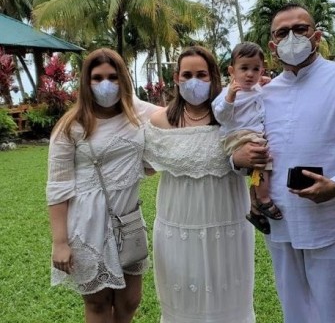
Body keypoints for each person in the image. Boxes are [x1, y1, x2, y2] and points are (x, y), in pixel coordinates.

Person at [232, 4, 335, 323]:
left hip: (331, 218)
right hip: (279, 221)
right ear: (272, 45)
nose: (292, 36)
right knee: (294, 310)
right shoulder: (263, 93)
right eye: (282, 32)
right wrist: (237, 158)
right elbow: (240, 141)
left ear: (316, 35)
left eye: (301, 29)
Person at [46, 48, 159, 323]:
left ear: (123, 79)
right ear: (86, 82)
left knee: (130, 300)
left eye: (112, 77)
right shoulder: (70, 126)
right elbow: (58, 186)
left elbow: (179, 117)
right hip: (87, 225)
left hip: (128, 220)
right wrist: (60, 242)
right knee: (98, 302)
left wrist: (243, 96)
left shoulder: (138, 113)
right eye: (97, 78)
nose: (105, 84)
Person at [144, 45, 255, 323]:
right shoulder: (159, 121)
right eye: (187, 74)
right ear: (177, 78)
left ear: (214, 77)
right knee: (183, 296)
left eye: (202, 74)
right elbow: (140, 166)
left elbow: (258, 156)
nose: (194, 81)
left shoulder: (235, 115)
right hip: (177, 224)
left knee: (227, 293)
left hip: (227, 220)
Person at [212, 42, 282, 235]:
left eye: (255, 69)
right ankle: (263, 198)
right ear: (231, 70)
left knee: (260, 164)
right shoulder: (228, 93)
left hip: (253, 135)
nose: (250, 74)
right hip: (237, 136)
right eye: (244, 68)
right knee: (262, 157)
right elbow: (221, 117)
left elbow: (260, 91)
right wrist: (229, 100)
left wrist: (263, 81)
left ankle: (254, 208)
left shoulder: (257, 88)